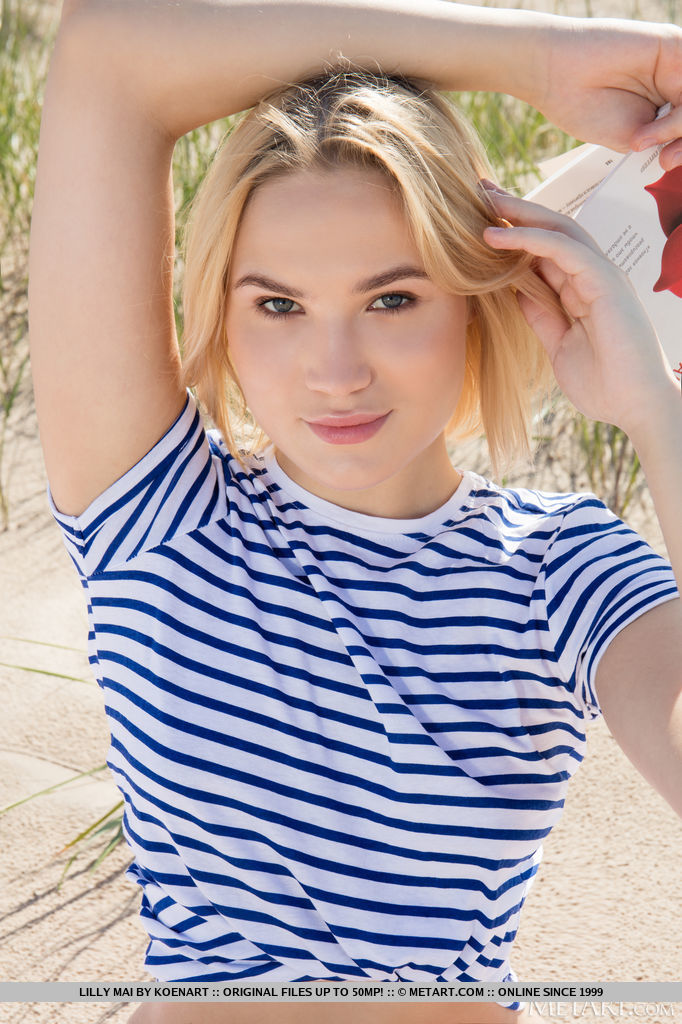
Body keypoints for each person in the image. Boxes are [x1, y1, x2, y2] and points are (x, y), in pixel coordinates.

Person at [28, 2, 682, 1023]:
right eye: (279, 305)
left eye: (391, 300)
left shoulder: (560, 569)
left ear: (474, 297)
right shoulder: (158, 515)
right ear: (225, 317)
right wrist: (538, 61)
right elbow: (110, 53)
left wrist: (656, 413)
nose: (334, 373)